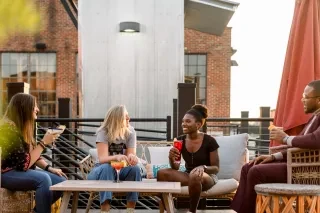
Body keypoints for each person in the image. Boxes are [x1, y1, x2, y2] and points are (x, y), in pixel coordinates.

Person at [230, 79, 320, 213]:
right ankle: (242, 210)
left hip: (307, 170)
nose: (302, 100)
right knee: (248, 166)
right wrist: (274, 156)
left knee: (256, 172)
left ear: (318, 100)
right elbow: (300, 145)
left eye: (306, 97)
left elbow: (315, 140)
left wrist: (285, 138)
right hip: (297, 166)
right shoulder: (314, 117)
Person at [0, 93, 67, 213]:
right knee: (43, 179)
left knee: (61, 181)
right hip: (5, 173)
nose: (38, 109)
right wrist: (43, 143)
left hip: (19, 171)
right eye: (34, 106)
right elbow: (24, 163)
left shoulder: (22, 127)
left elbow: (32, 155)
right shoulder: (7, 128)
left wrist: (49, 168)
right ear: (24, 108)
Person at [157, 104, 220, 213]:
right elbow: (175, 167)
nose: (183, 124)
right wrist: (171, 158)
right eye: (183, 121)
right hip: (188, 175)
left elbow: (216, 168)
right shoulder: (180, 140)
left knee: (195, 175)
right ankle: (170, 209)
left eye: (188, 121)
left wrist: (203, 167)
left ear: (198, 124)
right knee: (161, 173)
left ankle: (192, 211)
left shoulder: (210, 141)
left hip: (207, 177)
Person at [87, 105, 142, 213]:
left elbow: (130, 154)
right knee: (107, 168)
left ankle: (130, 210)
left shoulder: (130, 131)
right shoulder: (103, 132)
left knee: (135, 169)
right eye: (125, 117)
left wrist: (132, 157)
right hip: (101, 171)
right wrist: (116, 157)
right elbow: (102, 158)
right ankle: (105, 211)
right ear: (117, 118)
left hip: (121, 169)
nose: (128, 118)